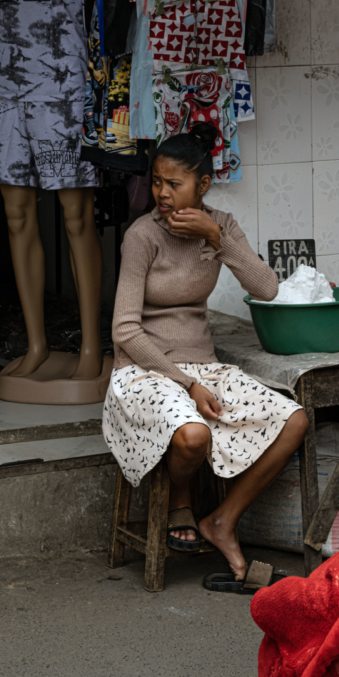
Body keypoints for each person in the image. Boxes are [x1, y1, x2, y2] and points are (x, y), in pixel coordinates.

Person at [103, 122, 308, 587]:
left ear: (203, 185)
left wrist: (217, 238)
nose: (162, 193)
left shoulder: (222, 227)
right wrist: (187, 383)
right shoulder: (142, 236)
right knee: (193, 434)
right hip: (143, 369)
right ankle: (181, 501)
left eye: (174, 184)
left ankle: (221, 520)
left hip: (204, 365)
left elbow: (267, 289)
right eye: (157, 182)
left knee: (294, 420)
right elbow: (125, 329)